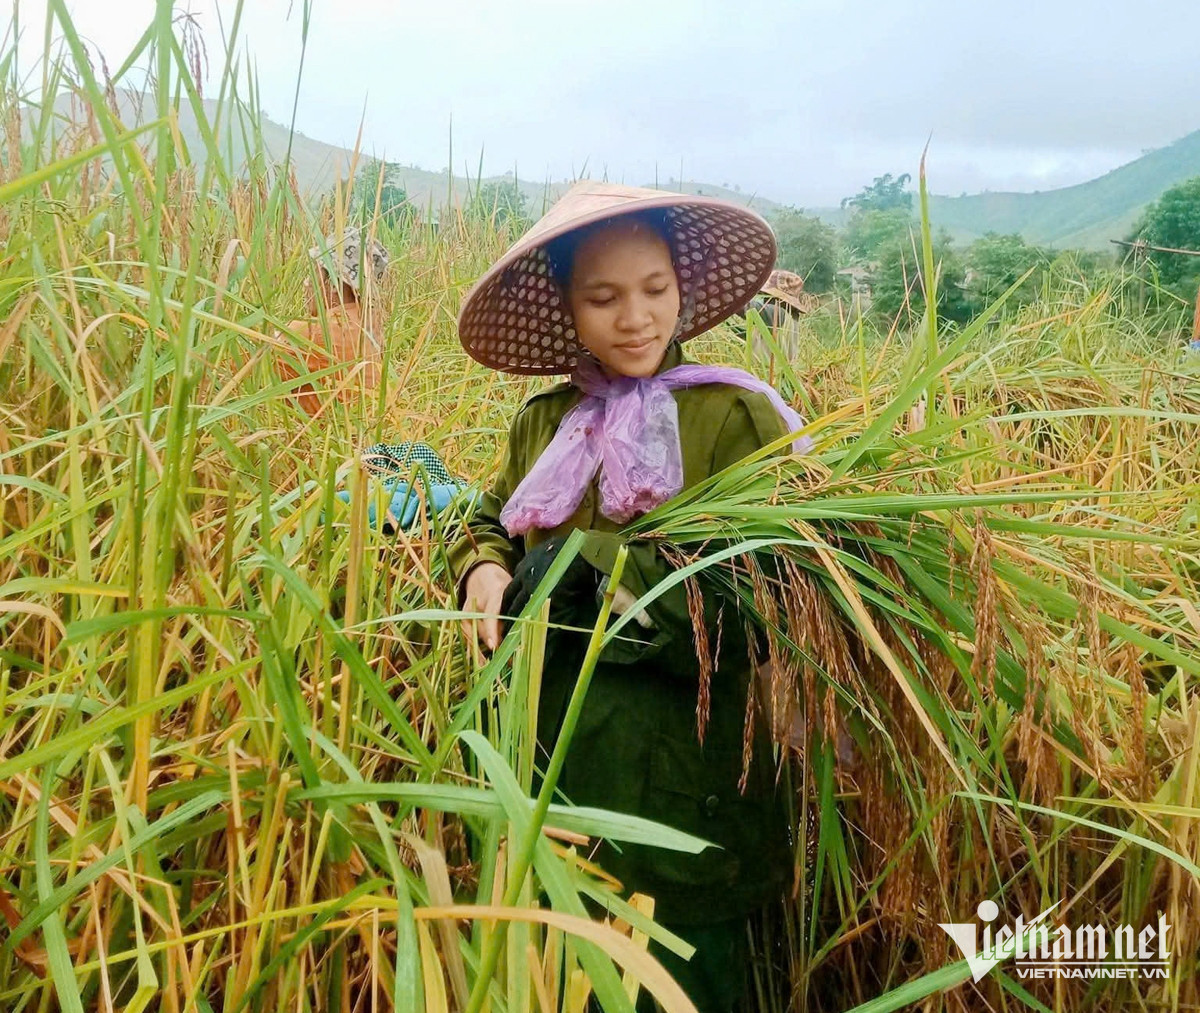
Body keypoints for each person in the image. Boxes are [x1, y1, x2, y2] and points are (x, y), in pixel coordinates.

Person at [447, 182, 811, 1012]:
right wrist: (484, 569)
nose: (635, 318)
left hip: (694, 774)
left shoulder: (736, 415)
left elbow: (773, 590)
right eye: (603, 298)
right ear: (569, 309)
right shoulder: (547, 424)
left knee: (690, 982)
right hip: (556, 773)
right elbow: (486, 516)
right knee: (564, 974)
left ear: (682, 288)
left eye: (654, 290)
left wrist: (596, 572)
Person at [277, 225, 390, 416]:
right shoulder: (369, 323)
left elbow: (241, 372)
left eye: (314, 274)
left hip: (319, 442)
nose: (307, 283)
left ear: (333, 283)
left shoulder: (312, 334)